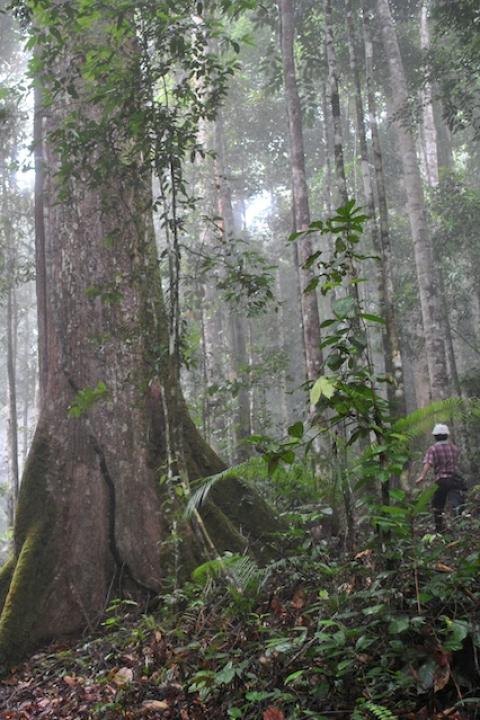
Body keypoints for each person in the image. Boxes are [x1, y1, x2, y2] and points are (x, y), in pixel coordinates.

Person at [416, 423, 465, 532]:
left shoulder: (433, 449)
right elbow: (456, 462)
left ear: (435, 436)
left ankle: (439, 528)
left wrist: (422, 476)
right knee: (457, 504)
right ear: (447, 435)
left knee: (437, 505)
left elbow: (428, 463)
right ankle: (461, 527)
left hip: (441, 480)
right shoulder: (454, 448)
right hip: (454, 479)